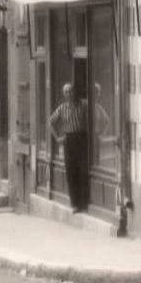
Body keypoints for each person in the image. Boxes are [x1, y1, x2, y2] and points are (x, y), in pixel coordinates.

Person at [47, 83, 90, 212]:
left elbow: (92, 117)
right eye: (66, 92)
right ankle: (75, 204)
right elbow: (50, 123)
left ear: (75, 92)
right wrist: (57, 138)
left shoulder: (83, 105)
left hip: (82, 139)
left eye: (71, 91)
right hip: (69, 140)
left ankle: (84, 203)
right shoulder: (62, 108)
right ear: (63, 94)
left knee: (83, 170)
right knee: (71, 171)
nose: (69, 94)